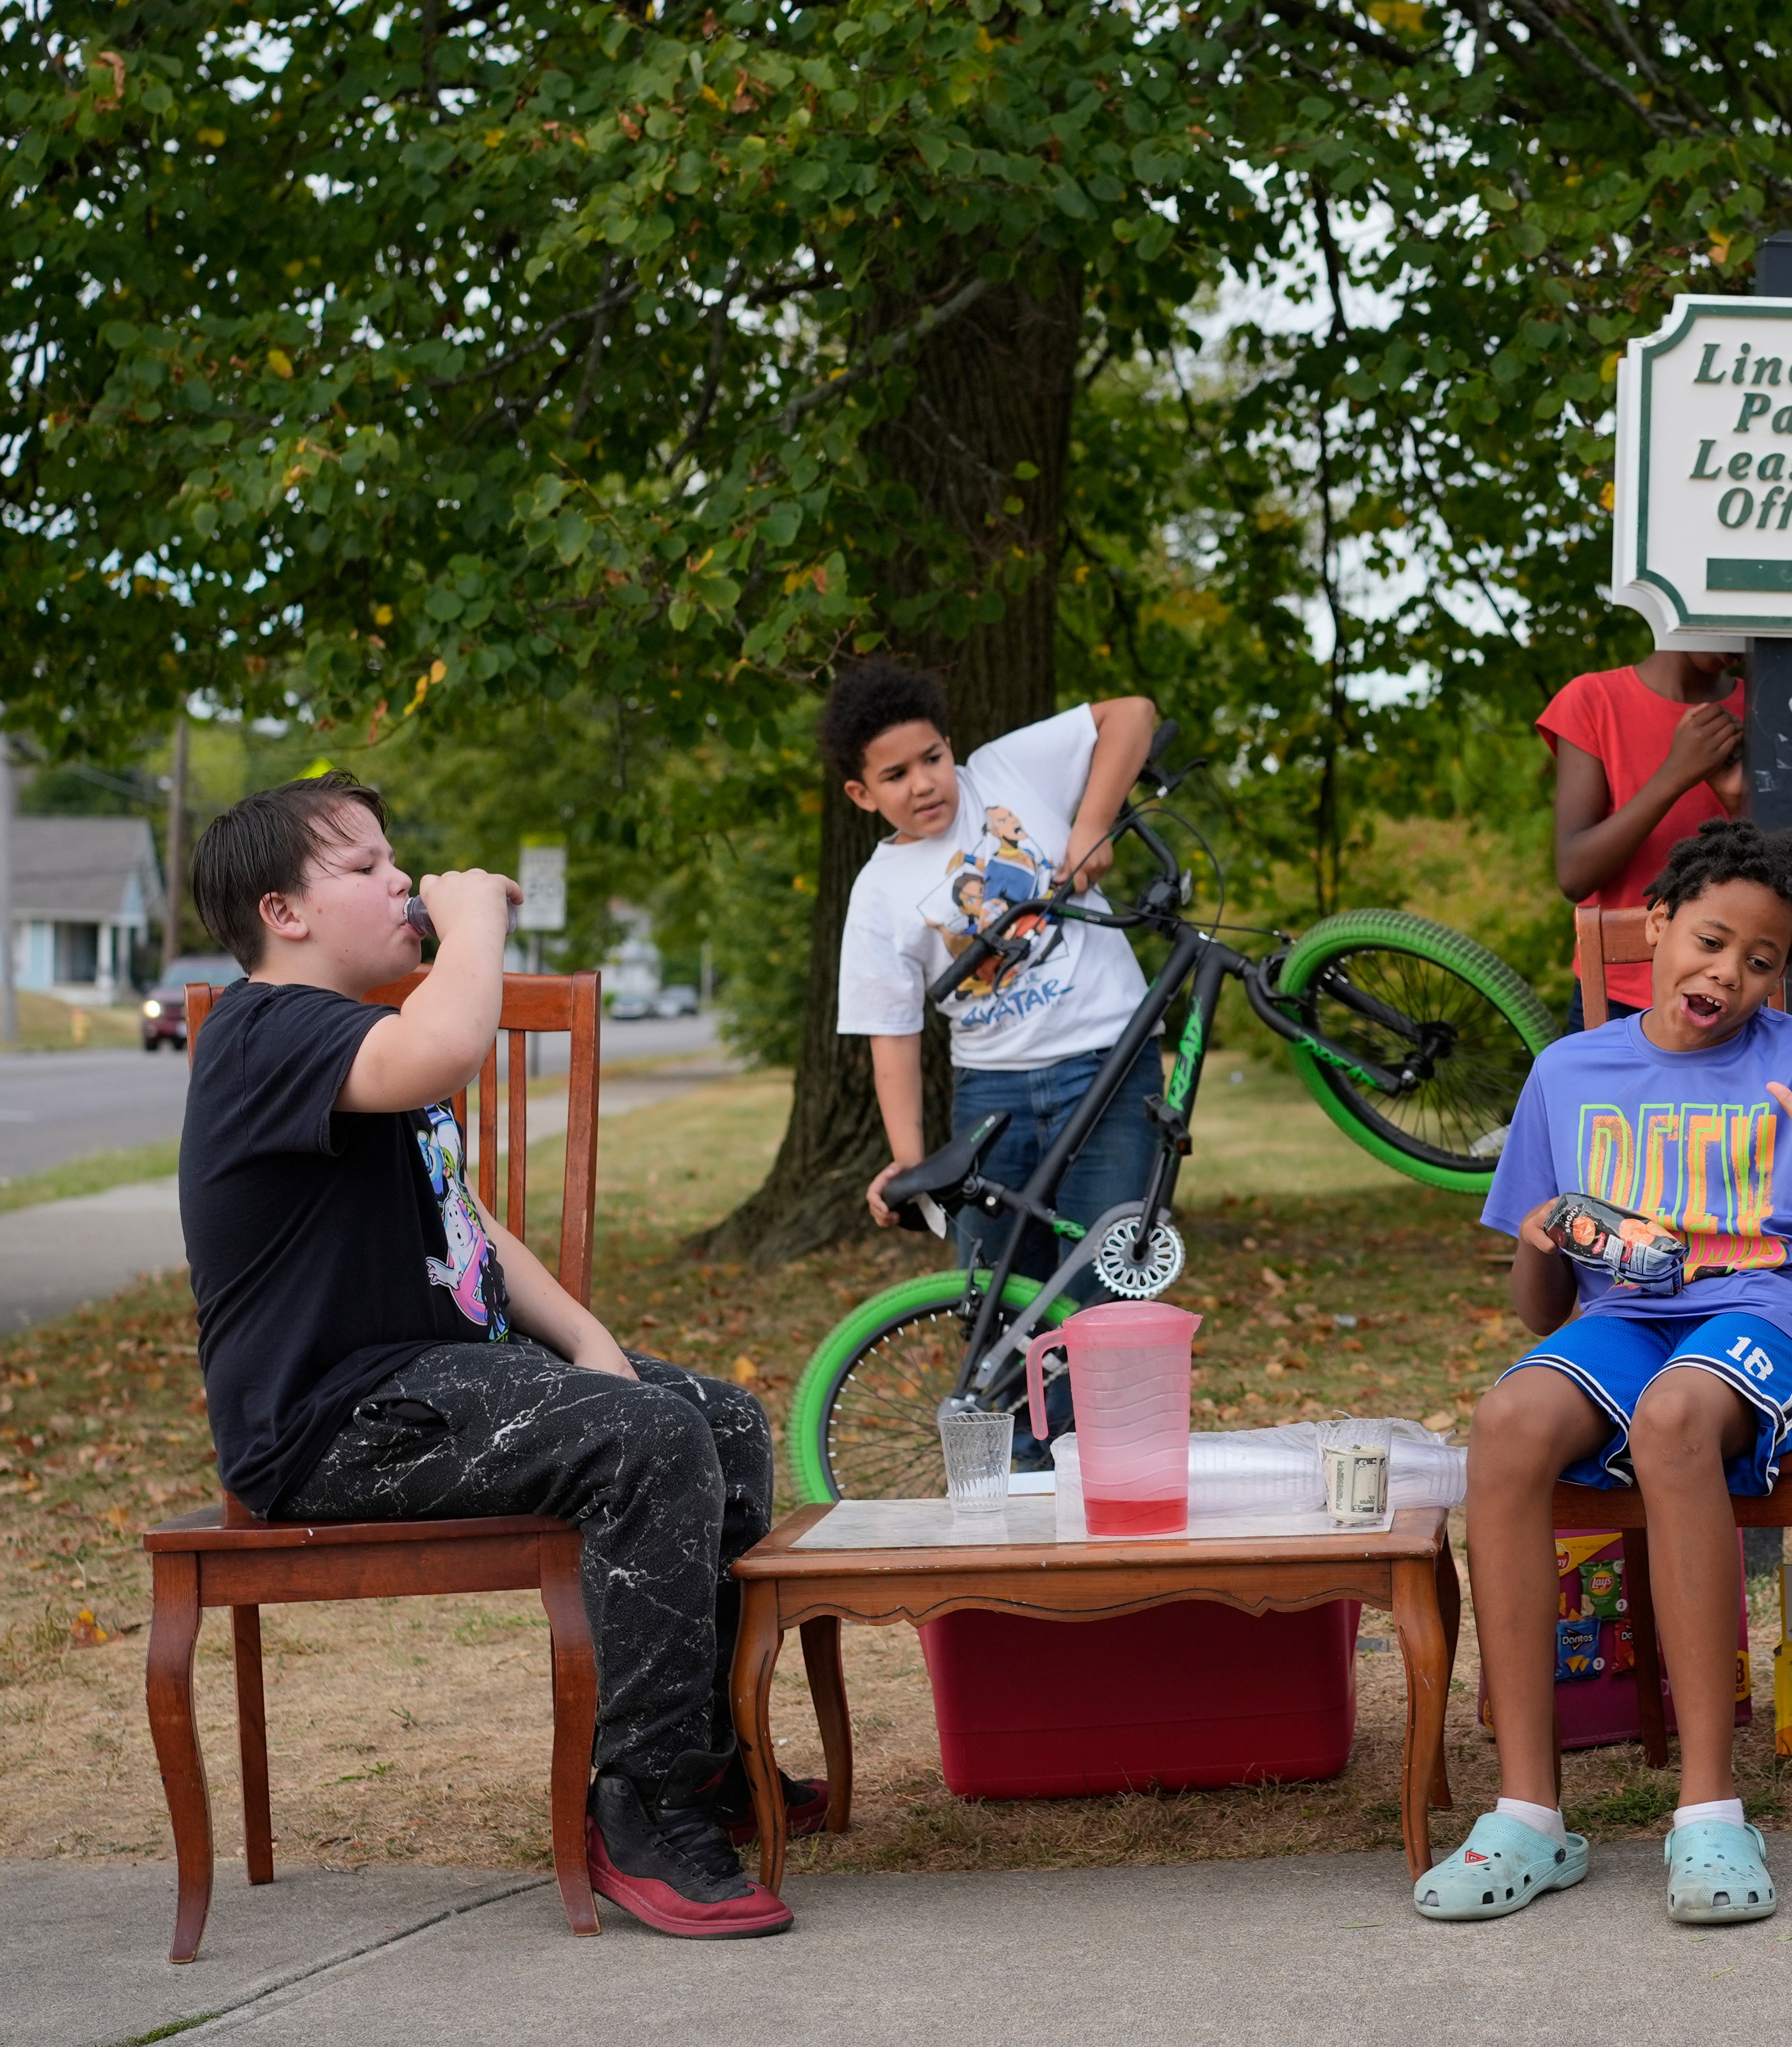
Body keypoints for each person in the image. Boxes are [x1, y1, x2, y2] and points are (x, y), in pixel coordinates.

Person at [179, 775, 804, 1941]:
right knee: (650, 1437)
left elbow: (460, 1212)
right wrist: (476, 929)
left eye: (396, 856)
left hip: (431, 1388)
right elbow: (451, 1048)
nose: (402, 877)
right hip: (333, 1425)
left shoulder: (352, 1039)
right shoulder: (265, 1032)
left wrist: (588, 1340)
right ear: (286, 912)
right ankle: (642, 1807)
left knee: (714, 1418)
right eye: (365, 866)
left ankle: (704, 1759)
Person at [1419, 821, 1792, 1928]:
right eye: (1709, 940)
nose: (1727, 974)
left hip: (1770, 1317)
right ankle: (1528, 1817)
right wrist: (1538, 1241)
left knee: (1676, 1416)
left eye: (1760, 958)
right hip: (1622, 1319)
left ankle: (1708, 1812)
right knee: (1505, 1421)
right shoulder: (1568, 1072)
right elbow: (1540, 1311)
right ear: (1653, 925)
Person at [826, 659, 1161, 1365]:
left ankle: (1098, 1465)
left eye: (932, 758)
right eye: (895, 776)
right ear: (861, 794)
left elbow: (1131, 713)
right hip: (993, 1095)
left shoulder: (1007, 772)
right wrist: (912, 1162)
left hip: (1108, 1066)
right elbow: (892, 1033)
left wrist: (1092, 827)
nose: (922, 783)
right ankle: (1024, 1464)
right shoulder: (877, 892)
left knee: (1110, 1286)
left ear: (951, 746)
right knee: (995, 1302)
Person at [1542, 644, 1792, 1027]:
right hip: (1615, 995)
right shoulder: (1593, 699)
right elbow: (1574, 875)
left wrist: (1735, 801)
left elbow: (1790, 879)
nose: (1741, 640)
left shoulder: (1768, 709)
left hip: (1736, 994)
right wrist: (1674, 775)